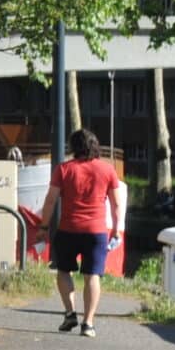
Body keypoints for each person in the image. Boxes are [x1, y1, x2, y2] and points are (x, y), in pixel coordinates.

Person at [44, 130, 124, 337]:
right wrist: (115, 229)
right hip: (96, 231)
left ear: (73, 147)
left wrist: (43, 227)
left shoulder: (63, 169)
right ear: (95, 146)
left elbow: (51, 200)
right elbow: (116, 204)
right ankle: (88, 323)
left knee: (63, 271)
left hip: (68, 229)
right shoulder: (107, 170)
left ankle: (70, 313)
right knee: (92, 276)